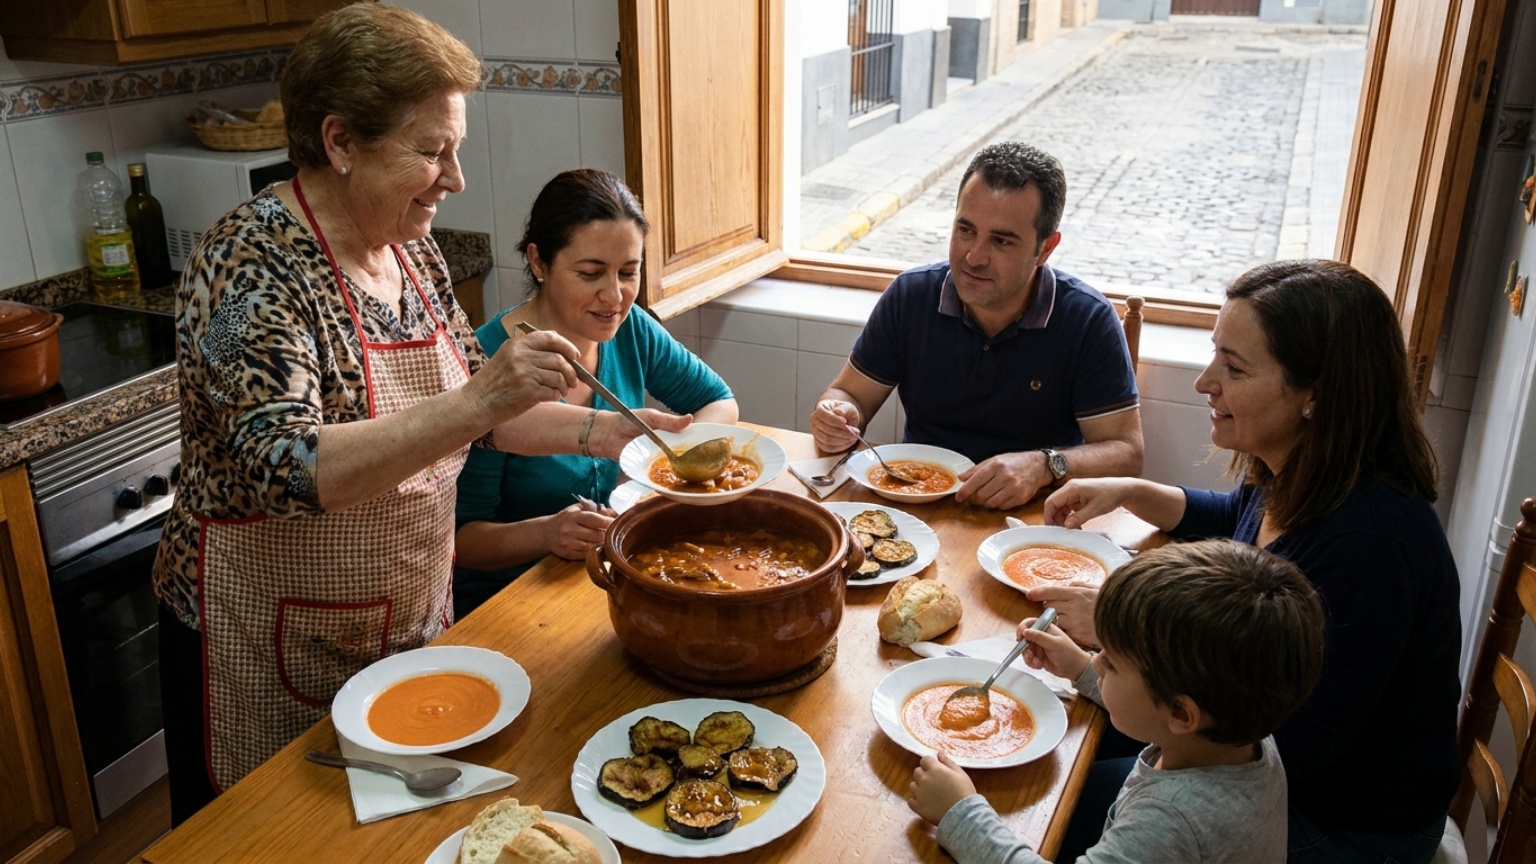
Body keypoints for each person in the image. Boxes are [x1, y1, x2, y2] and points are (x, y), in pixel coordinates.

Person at [150, 5, 684, 824]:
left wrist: (612, 432)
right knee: (273, 836)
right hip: (267, 642)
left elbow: (492, 418)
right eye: (432, 151)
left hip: (402, 624)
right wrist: (476, 399)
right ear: (340, 142)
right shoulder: (249, 266)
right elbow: (285, 466)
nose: (456, 177)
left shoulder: (412, 247)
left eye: (455, 148)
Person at [1038, 259, 1462, 863]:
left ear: (1315, 395)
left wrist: (1119, 630)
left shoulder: (1371, 546)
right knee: (1066, 741)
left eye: (1233, 368)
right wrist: (1131, 491)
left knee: (1055, 795)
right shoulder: (1303, 468)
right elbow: (1236, 518)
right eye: (1214, 354)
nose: (1204, 381)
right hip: (1251, 762)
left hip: (1341, 822)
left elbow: (1291, 744)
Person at [908, 540, 1326, 863]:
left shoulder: (1170, 824)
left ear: (1182, 712)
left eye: (1111, 660)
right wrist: (1080, 669)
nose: (1098, 662)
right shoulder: (1239, 728)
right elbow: (1152, 706)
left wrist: (960, 815)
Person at [453, 169, 737, 617]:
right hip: (509, 602)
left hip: (600, 581)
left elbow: (719, 401)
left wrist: (654, 468)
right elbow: (459, 540)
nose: (615, 296)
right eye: (590, 273)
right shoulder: (483, 363)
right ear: (538, 262)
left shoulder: (630, 330)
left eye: (629, 272)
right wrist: (547, 532)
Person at [810, 142, 1142, 510]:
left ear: (1046, 248)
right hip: (917, 506)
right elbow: (849, 395)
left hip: (1035, 516)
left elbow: (1127, 453)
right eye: (965, 230)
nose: (973, 257)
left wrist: (1045, 465)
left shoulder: (1088, 318)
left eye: (1001, 241)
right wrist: (839, 414)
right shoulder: (911, 295)